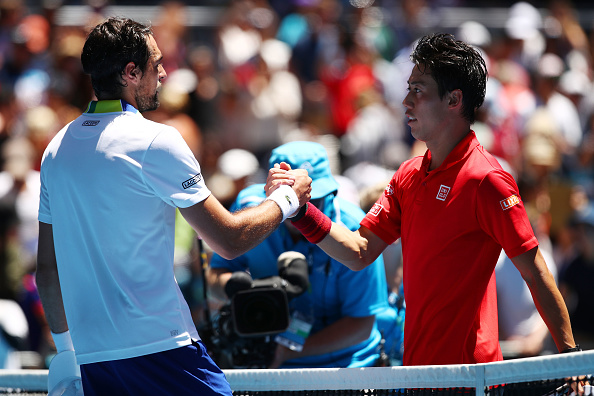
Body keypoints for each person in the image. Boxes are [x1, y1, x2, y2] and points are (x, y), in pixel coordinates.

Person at [36, 17, 311, 396]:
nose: (165, 73)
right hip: (163, 349)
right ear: (131, 73)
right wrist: (287, 199)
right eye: (156, 64)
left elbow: (47, 271)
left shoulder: (55, 150)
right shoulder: (156, 140)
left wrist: (67, 353)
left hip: (92, 359)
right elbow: (228, 240)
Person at [269, 33, 579, 367]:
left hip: (471, 379)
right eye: (408, 89)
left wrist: (572, 361)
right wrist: (301, 211)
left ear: (453, 100)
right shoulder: (408, 174)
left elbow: (535, 275)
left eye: (418, 90)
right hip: (417, 375)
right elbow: (359, 252)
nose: (406, 101)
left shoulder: (488, 180)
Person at [207, 141, 402, 368]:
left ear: (330, 191)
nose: (300, 207)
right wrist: (236, 286)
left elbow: (362, 324)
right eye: (291, 199)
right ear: (270, 192)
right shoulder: (250, 208)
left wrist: (288, 353)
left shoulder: (352, 229)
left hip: (346, 365)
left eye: (310, 196)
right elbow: (215, 276)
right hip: (269, 359)